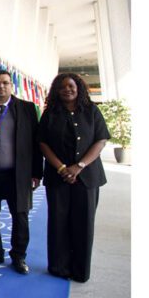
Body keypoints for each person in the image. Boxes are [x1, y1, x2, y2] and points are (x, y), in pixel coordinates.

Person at [39, 73, 109, 282]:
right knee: (58, 222)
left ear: (78, 88)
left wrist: (79, 166)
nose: (67, 90)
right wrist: (62, 168)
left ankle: (80, 270)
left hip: (87, 177)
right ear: (56, 91)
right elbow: (42, 143)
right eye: (62, 87)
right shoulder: (50, 113)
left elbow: (101, 140)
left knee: (83, 223)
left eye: (71, 86)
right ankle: (59, 267)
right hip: (57, 176)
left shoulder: (92, 111)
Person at [0, 70, 42, 274]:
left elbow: (36, 143)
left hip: (17, 175)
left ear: (11, 85)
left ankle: (18, 256)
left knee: (20, 215)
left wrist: (36, 172)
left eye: (5, 83)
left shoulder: (27, 109)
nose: (1, 86)